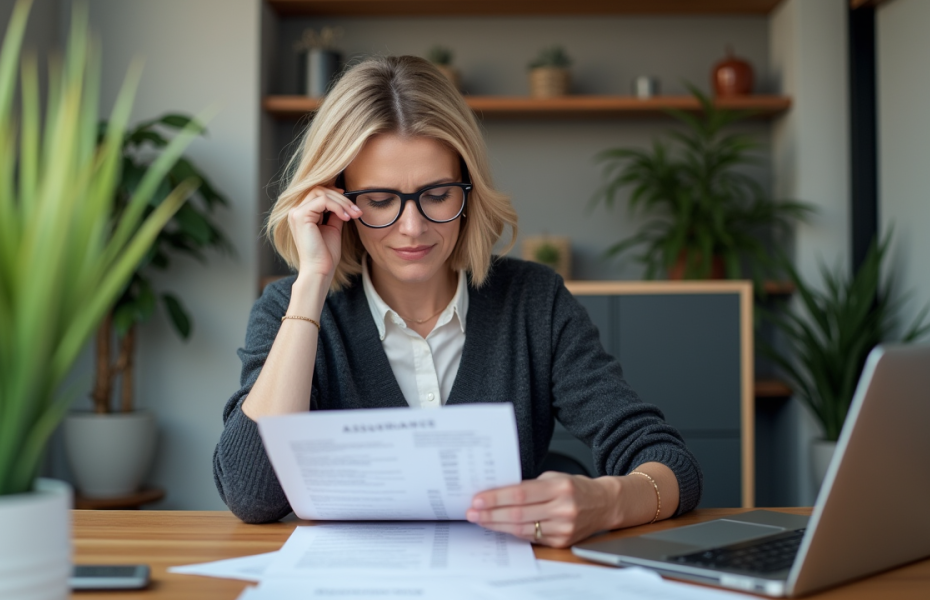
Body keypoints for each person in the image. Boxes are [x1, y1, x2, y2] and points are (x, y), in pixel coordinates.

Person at [213, 55, 702, 548]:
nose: (412, 227)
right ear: (338, 200)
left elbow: (669, 462)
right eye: (379, 200)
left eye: (438, 194)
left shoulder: (534, 301)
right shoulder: (290, 307)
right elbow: (251, 495)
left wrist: (608, 500)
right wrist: (312, 283)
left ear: (469, 191)